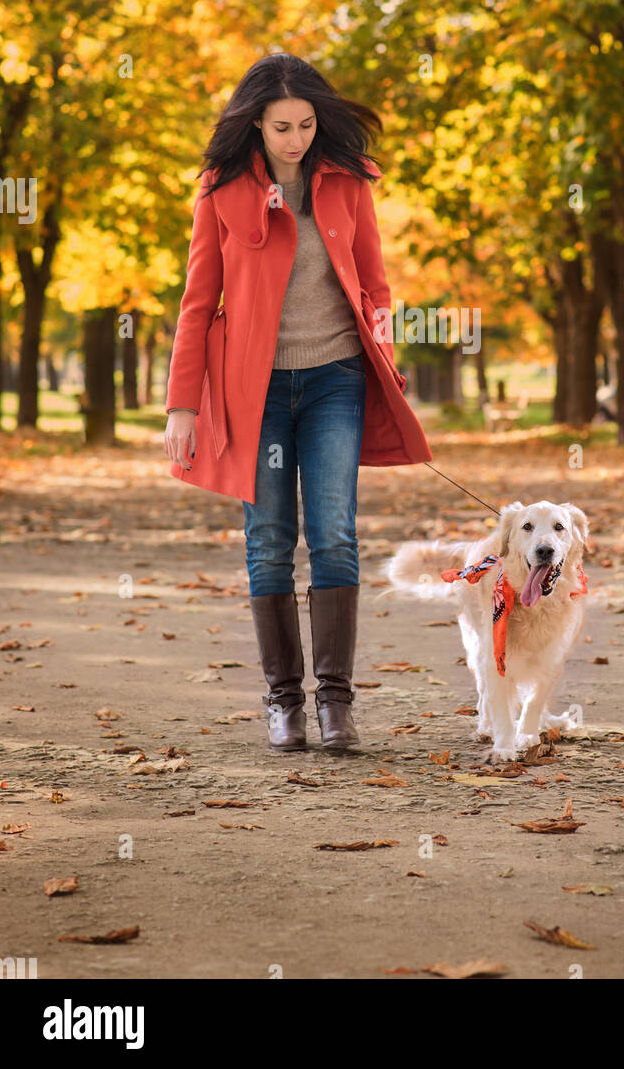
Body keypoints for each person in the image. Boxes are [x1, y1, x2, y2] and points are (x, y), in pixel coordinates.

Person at [163, 53, 432, 754]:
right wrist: (181, 404)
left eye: (306, 124)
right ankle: (284, 703)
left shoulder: (347, 184)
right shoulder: (221, 191)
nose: (296, 138)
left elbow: (374, 287)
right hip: (255, 392)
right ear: (255, 123)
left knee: (335, 534)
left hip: (335, 379)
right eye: (281, 126)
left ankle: (336, 704)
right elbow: (197, 305)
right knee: (269, 540)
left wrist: (383, 356)